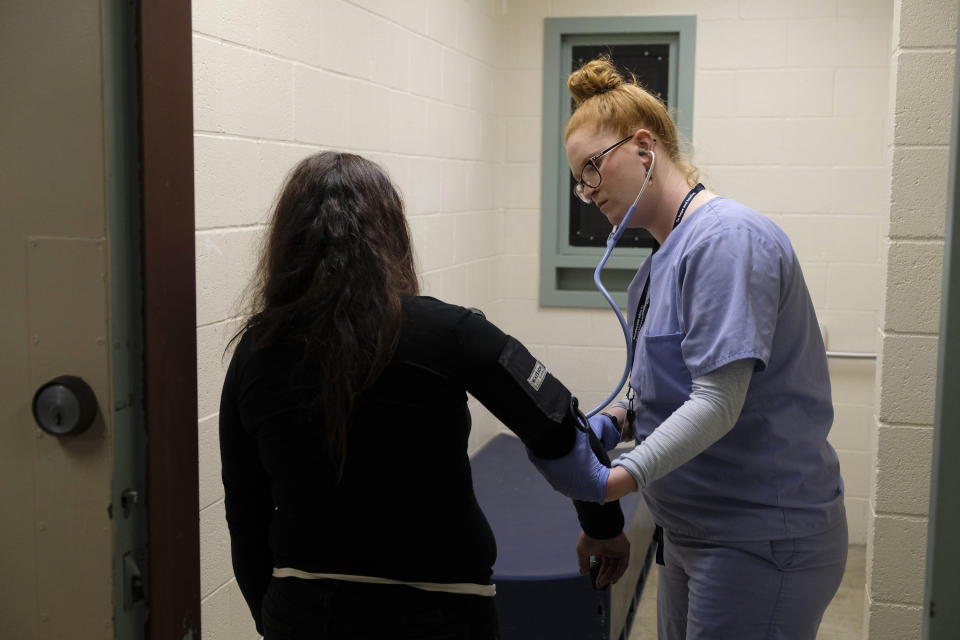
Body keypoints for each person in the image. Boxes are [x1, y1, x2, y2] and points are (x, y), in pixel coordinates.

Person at [219, 151, 629, 640]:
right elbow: (559, 424)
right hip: (441, 609)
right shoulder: (451, 331)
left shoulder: (257, 348)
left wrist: (269, 616)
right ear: (389, 232)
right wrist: (603, 524)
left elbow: (243, 505)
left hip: (304, 607)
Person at [564, 57, 848, 639]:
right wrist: (613, 422)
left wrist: (613, 482)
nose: (587, 191)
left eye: (592, 168)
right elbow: (661, 391)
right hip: (692, 529)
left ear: (643, 147)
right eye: (579, 179)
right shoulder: (656, 265)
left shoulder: (726, 240)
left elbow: (717, 400)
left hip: (758, 536)